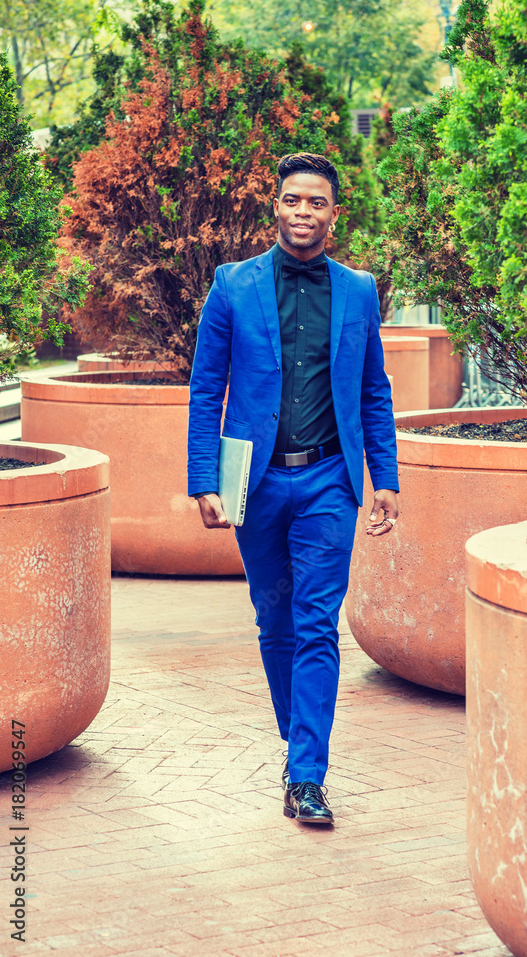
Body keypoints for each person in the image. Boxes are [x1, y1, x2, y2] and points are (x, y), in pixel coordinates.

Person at [187, 152, 399, 825]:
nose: (304, 211)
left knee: (316, 626)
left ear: (334, 215)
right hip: (255, 482)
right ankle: (295, 739)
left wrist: (383, 478)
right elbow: (205, 390)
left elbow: (373, 392)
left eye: (317, 203)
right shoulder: (233, 286)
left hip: (329, 483)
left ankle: (308, 774)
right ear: (275, 207)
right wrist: (204, 479)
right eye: (293, 200)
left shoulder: (358, 291)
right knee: (273, 621)